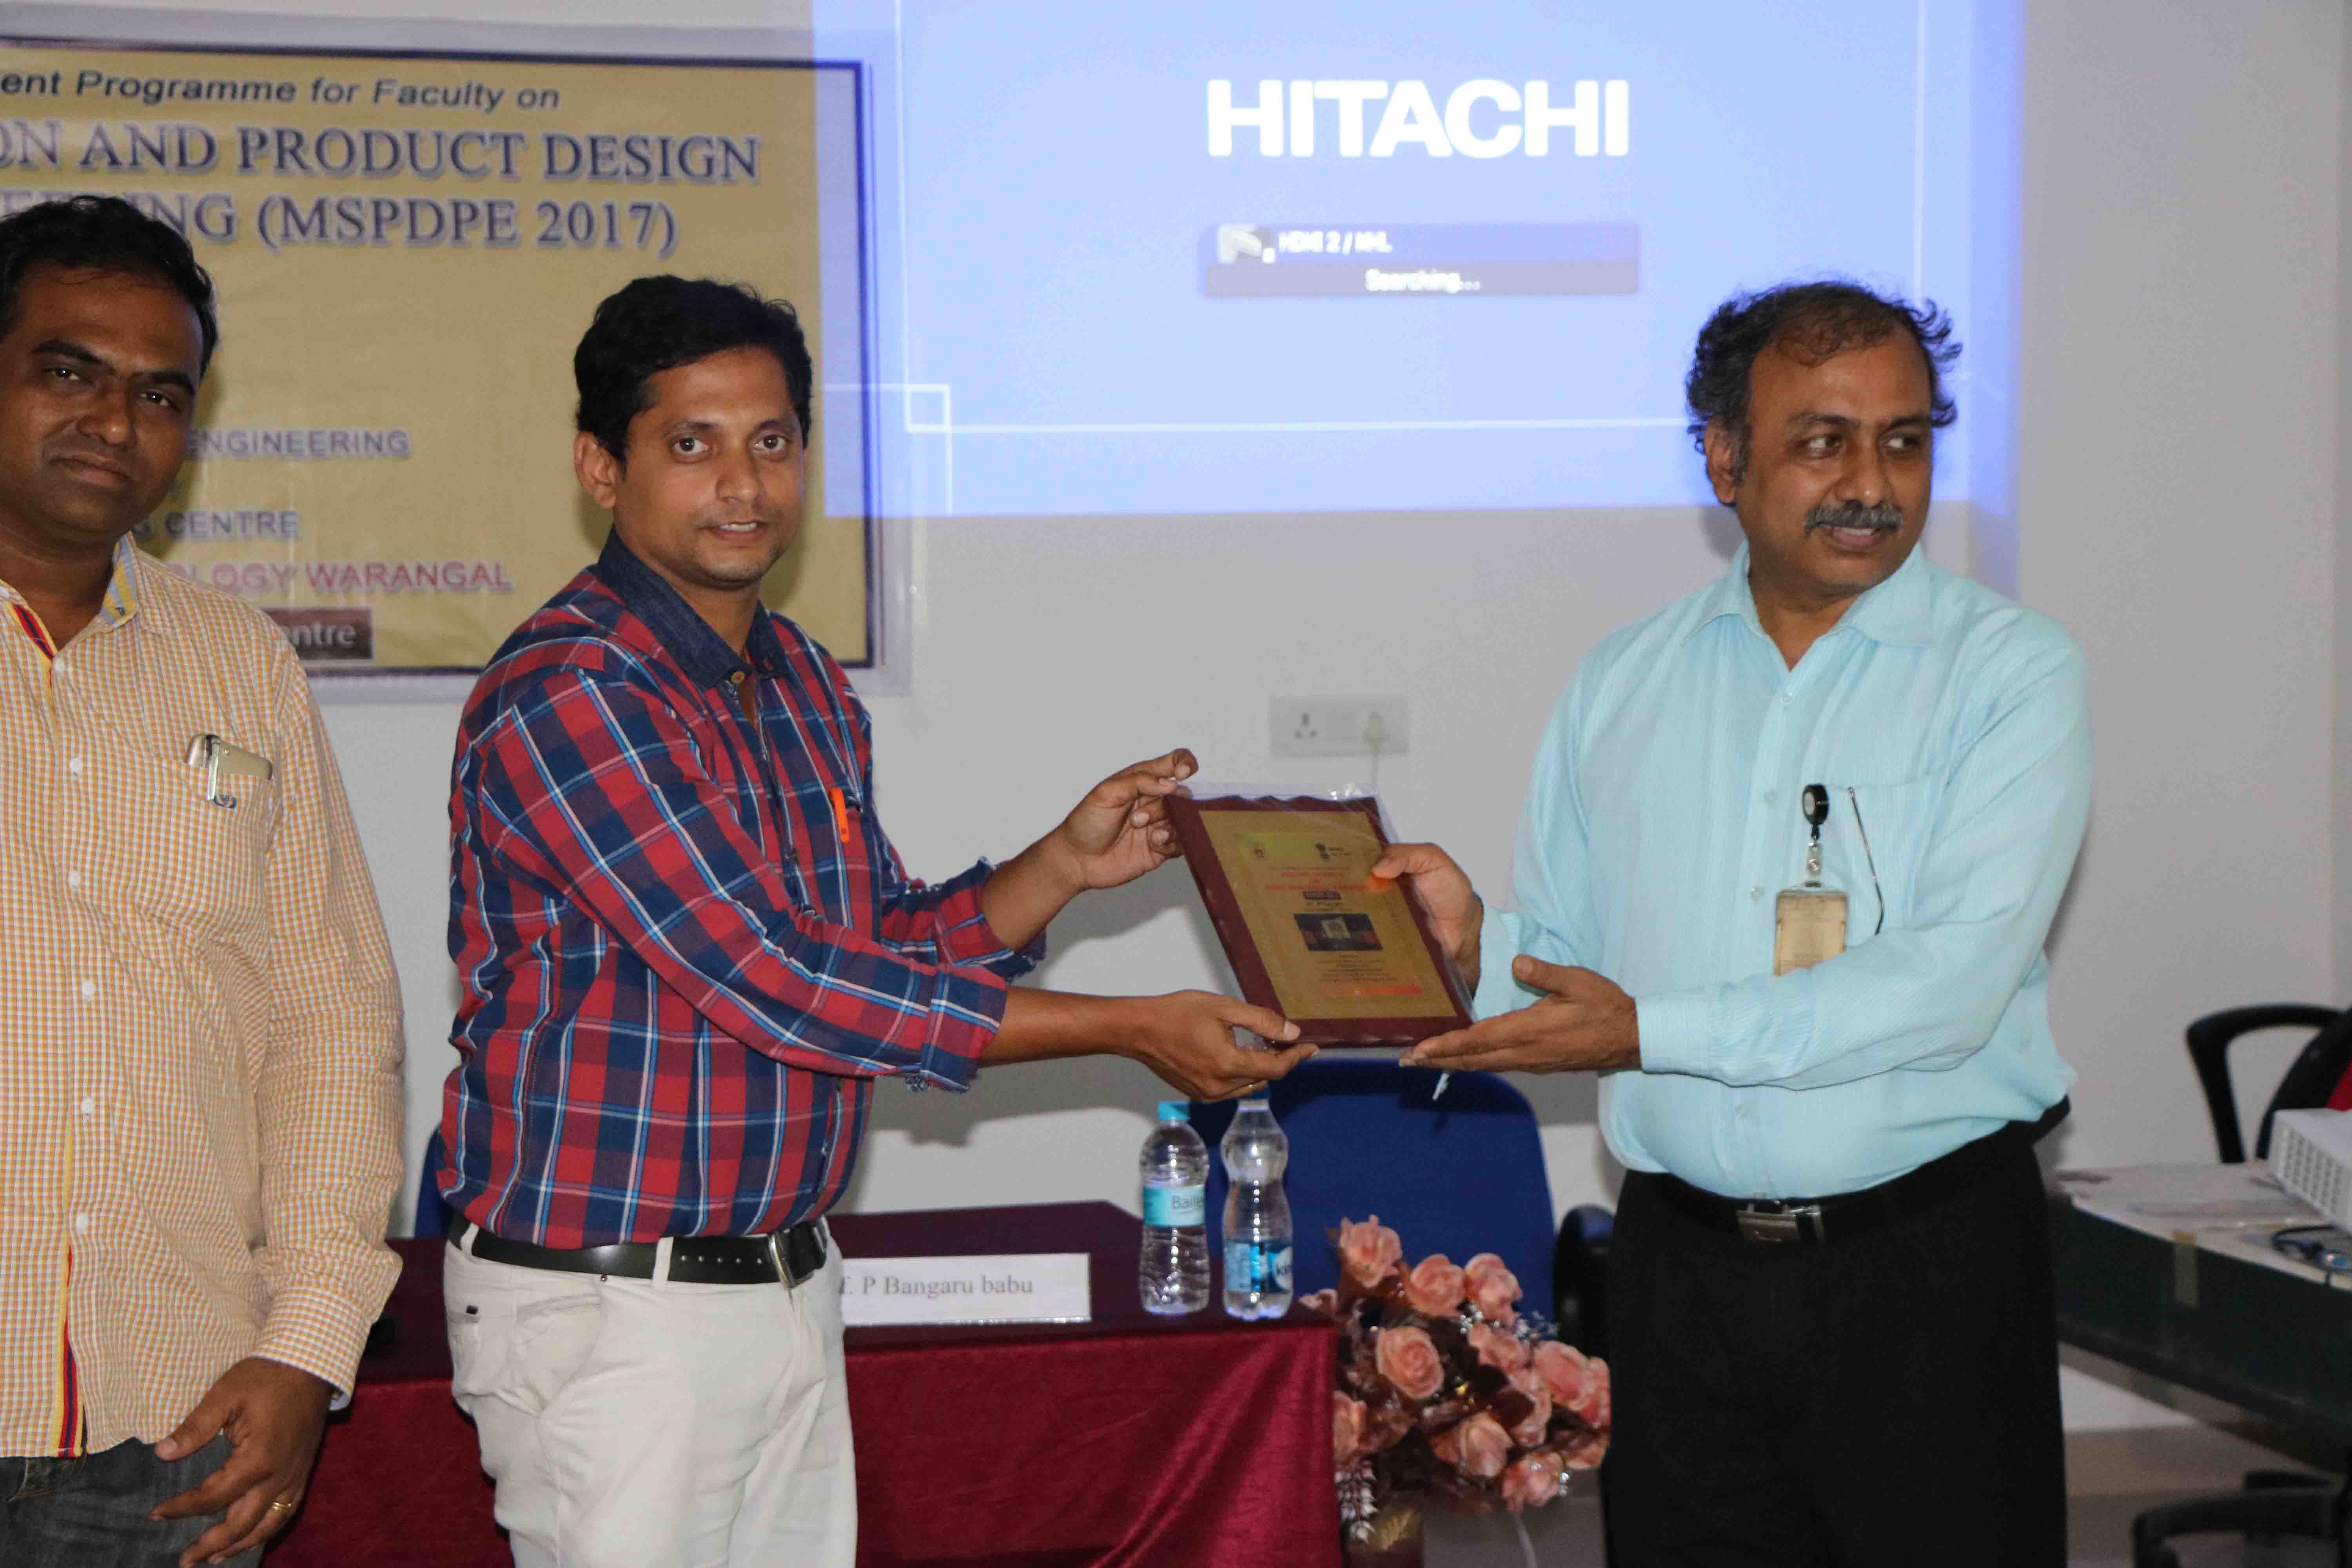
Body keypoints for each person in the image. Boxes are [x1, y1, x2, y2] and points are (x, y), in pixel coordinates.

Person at [437, 273, 1313, 1568]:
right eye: (693, 445)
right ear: (602, 467)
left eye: (773, 441)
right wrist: (1130, 1027)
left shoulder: (796, 677)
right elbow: (777, 982)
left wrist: (1059, 868)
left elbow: (875, 946)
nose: (745, 485)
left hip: (785, 1285)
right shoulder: (572, 690)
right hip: (613, 1310)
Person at [1375, 280, 2090, 1563]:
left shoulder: (2011, 674)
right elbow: (1570, 964)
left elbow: (1948, 984)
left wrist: (1648, 1030)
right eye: (1824, 441)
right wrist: (1474, 948)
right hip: (1681, 1277)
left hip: (1924, 1271)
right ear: (1723, 458)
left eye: (1906, 440)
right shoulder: (1623, 681)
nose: (1872, 483)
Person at [0, 195, 406, 1568]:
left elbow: (331, 1022)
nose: (114, 422)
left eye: (159, 394)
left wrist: (307, 1347)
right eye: (68, 371)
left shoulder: (241, 665)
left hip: (169, 1432)